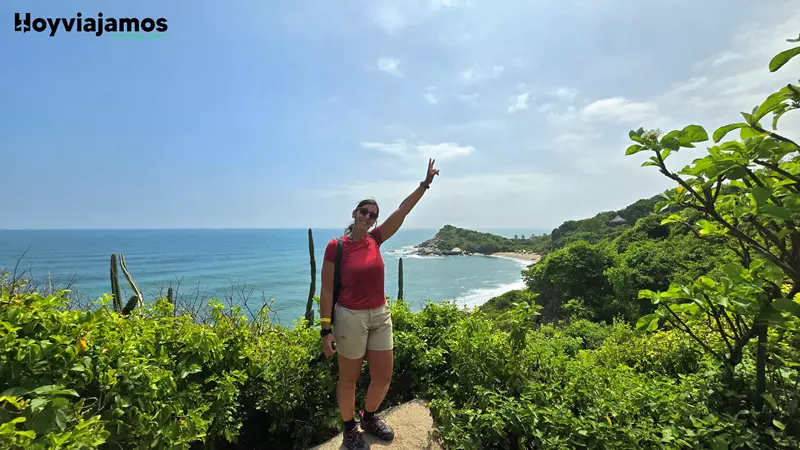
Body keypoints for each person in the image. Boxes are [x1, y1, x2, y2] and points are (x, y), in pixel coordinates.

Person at [319, 159, 440, 450]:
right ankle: (349, 429)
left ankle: (369, 417)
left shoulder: (376, 239)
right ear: (355, 213)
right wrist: (325, 330)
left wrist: (424, 185)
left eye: (373, 214)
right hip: (350, 318)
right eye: (365, 211)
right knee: (349, 378)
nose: (369, 217)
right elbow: (325, 288)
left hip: (380, 314)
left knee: (383, 377)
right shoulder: (336, 246)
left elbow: (403, 209)